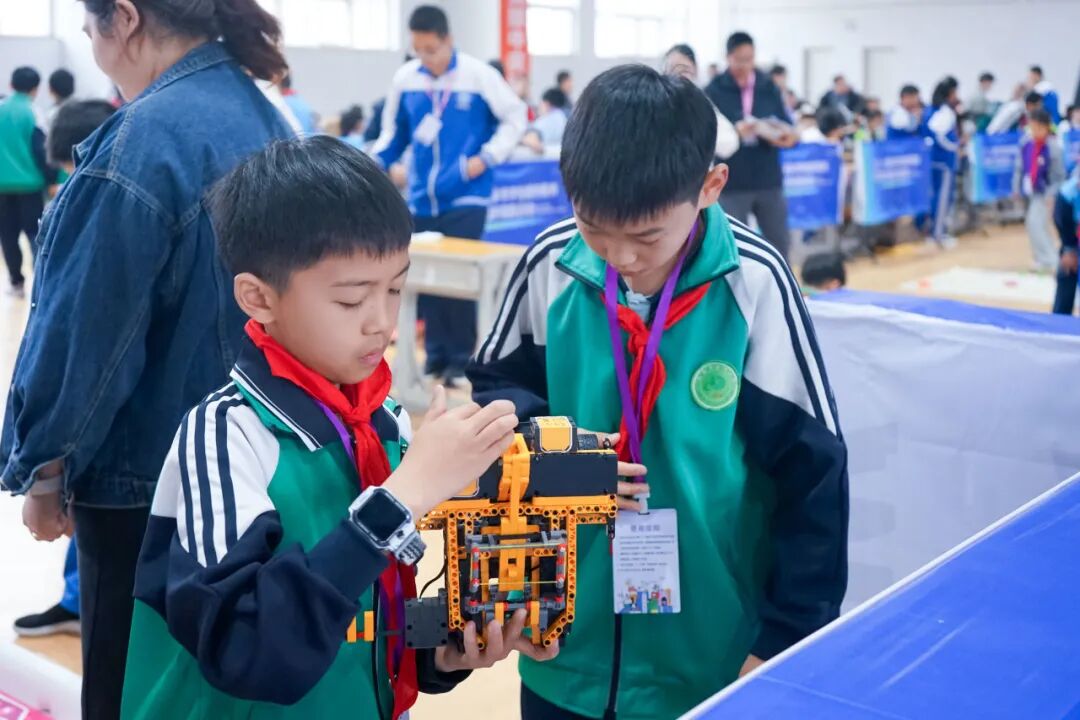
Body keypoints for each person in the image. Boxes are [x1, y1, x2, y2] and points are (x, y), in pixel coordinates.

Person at [119, 135, 554, 719]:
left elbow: (365, 612)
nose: (382, 323)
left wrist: (440, 653)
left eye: (395, 289)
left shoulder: (383, 420)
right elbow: (247, 649)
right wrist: (401, 497)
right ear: (258, 298)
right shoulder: (224, 438)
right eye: (351, 301)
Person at [469, 64, 848, 720]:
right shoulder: (551, 264)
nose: (620, 257)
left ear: (710, 187)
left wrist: (786, 638)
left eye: (646, 236)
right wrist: (554, 460)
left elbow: (813, 472)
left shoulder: (754, 282)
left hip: (711, 660)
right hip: (564, 652)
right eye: (594, 227)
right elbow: (495, 395)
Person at [1, 2, 295, 717]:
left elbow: (85, 331)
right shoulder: (263, 115)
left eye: (89, 24)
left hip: (146, 482)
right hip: (261, 459)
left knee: (127, 685)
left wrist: (45, 468)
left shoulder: (142, 142)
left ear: (125, 19)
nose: (88, 39)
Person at [374, 4, 527, 385]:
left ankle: (461, 360)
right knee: (426, 279)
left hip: (466, 196)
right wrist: (377, 163)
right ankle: (436, 355)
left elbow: (516, 116)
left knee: (460, 283)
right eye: (418, 50)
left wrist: (486, 158)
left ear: (448, 41)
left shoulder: (478, 76)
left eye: (432, 49)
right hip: (421, 199)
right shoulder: (406, 79)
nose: (426, 57)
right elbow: (394, 133)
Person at [13, 99, 118, 641]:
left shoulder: (97, 211)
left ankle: (82, 600)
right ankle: (78, 599)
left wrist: (44, 474)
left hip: (102, 403)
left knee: (92, 495)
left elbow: (65, 340)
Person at [706, 31, 798, 258]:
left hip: (768, 177)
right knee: (734, 247)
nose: (745, 65)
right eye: (739, 60)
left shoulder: (768, 86)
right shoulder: (714, 89)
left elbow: (786, 123)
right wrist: (735, 132)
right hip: (732, 179)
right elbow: (708, 132)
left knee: (779, 243)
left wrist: (782, 134)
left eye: (749, 59)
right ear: (728, 57)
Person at [0, 66, 56, 298]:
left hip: (2, 187)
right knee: (34, 234)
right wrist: (51, 179)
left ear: (11, 85)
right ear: (35, 89)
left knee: (7, 235)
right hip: (30, 186)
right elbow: (41, 150)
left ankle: (16, 283)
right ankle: (40, 283)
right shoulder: (33, 112)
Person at [663, 43, 739, 160]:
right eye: (671, 70)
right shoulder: (657, 103)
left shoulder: (702, 104)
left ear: (695, 70)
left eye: (684, 70)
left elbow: (729, 144)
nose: (677, 77)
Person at [1016, 109, 1066, 270]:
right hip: (1030, 190)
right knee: (1032, 224)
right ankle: (1040, 258)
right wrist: (1016, 187)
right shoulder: (1027, 143)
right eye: (1031, 127)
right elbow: (1019, 168)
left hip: (1046, 193)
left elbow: (1059, 176)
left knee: (1037, 224)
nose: (1033, 131)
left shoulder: (1053, 147)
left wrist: (1051, 195)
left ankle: (1050, 260)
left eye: (1037, 127)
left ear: (1045, 127)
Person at [923, 77, 962, 246]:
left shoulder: (932, 110)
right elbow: (939, 136)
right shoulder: (944, 112)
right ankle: (938, 234)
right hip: (943, 160)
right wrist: (955, 147)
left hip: (934, 159)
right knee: (942, 198)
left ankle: (936, 232)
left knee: (936, 196)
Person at [1052, 175, 1080, 314]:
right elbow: (1061, 222)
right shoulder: (1067, 194)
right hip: (1073, 242)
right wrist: (1069, 250)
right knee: (1067, 271)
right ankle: (1058, 322)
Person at [522, 87, 569, 152]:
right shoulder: (564, 119)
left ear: (546, 104)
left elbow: (531, 138)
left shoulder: (548, 119)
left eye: (540, 104)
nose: (539, 108)